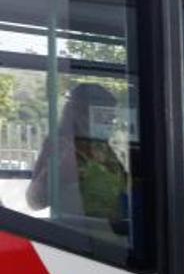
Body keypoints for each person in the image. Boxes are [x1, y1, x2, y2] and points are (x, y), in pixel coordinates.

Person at [26, 83, 127, 224]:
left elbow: (123, 185)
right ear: (80, 114)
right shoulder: (59, 144)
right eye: (103, 116)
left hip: (110, 230)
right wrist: (56, 172)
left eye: (112, 117)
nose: (110, 123)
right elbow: (34, 201)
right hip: (77, 235)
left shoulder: (102, 146)